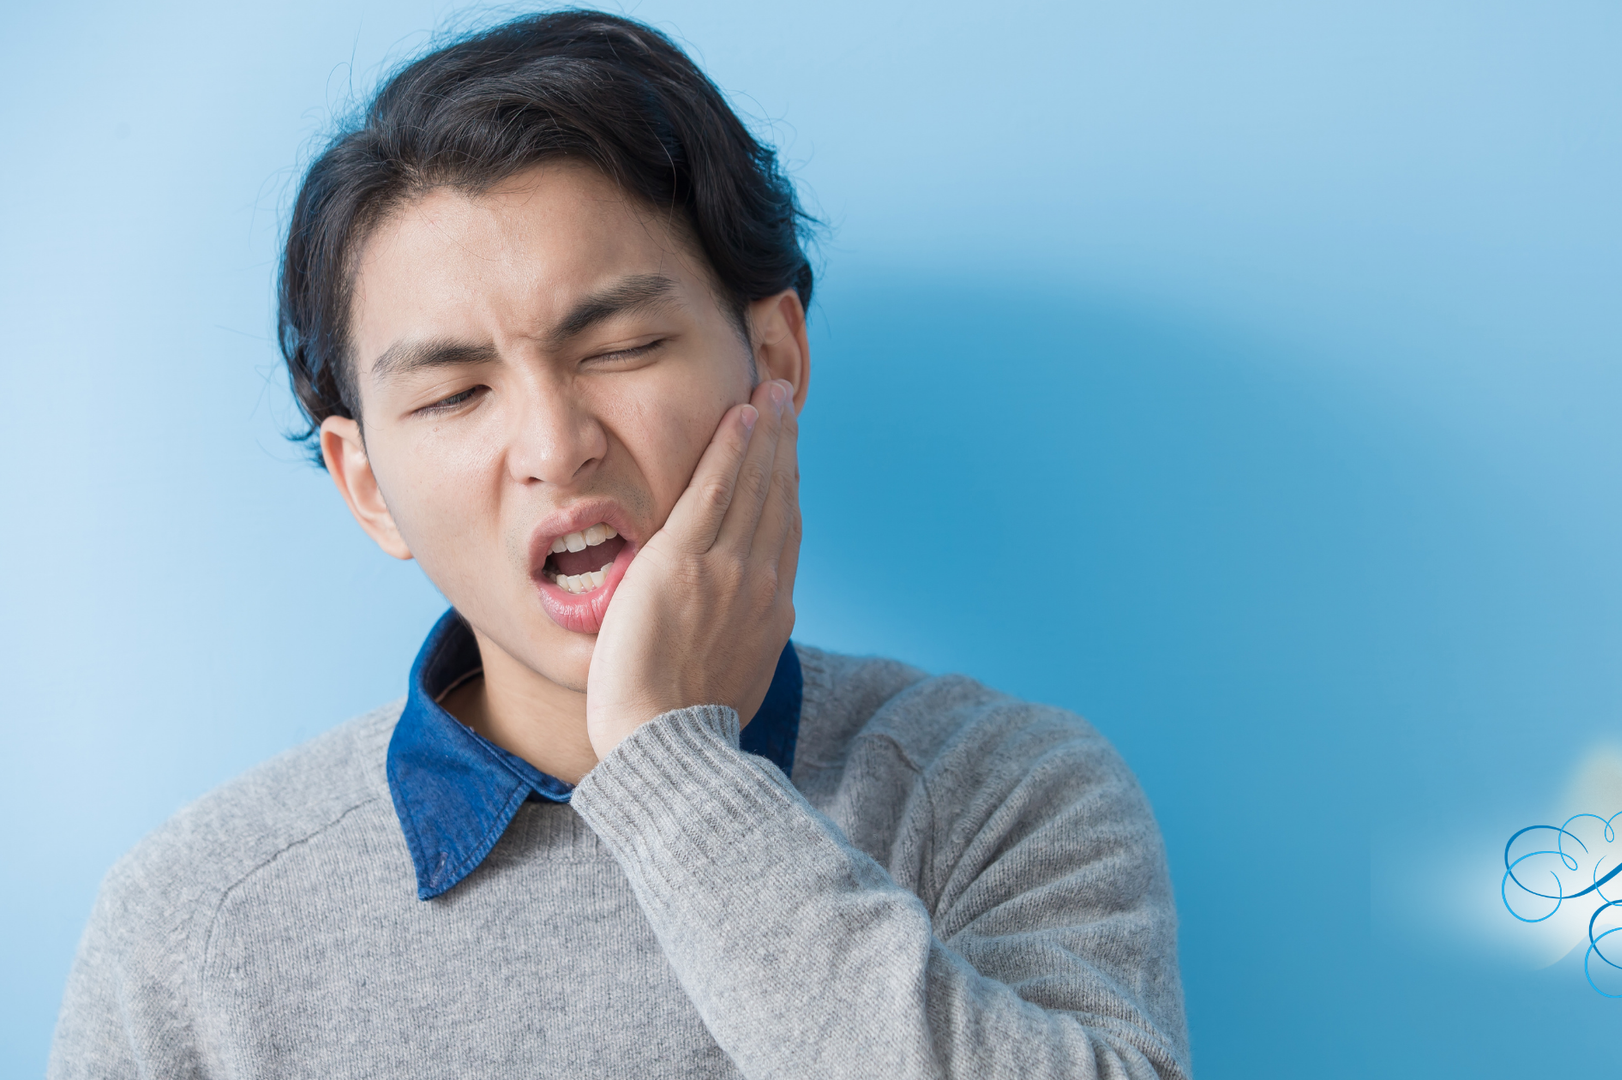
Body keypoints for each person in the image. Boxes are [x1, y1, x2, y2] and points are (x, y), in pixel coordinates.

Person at [49, 10, 1187, 1078]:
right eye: (453, 395)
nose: (555, 444)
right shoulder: (195, 926)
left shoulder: (998, 793)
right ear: (368, 488)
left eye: (624, 344)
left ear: (775, 360)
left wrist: (673, 774)